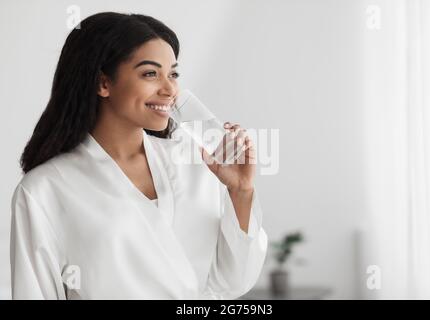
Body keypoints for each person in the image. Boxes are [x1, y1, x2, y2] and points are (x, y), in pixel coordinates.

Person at [10, 12, 267, 299]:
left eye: (173, 74)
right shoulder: (44, 189)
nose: (170, 89)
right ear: (103, 83)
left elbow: (234, 283)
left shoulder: (198, 164)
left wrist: (240, 191)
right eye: (150, 73)